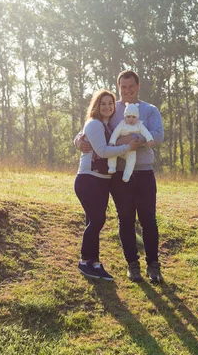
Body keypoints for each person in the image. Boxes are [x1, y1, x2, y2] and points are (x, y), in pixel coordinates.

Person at [76, 70, 164, 283]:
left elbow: (159, 135)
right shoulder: (112, 108)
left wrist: (135, 141)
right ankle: (132, 265)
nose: (127, 91)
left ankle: (153, 265)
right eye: (123, 87)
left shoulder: (149, 110)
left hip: (143, 171)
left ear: (138, 86)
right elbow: (89, 127)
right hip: (117, 175)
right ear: (119, 87)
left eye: (131, 86)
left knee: (148, 219)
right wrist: (78, 140)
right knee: (125, 219)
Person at [75, 89, 140, 280]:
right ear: (96, 106)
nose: (107, 107)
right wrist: (128, 148)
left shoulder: (109, 125)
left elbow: (83, 136)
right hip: (89, 179)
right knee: (97, 221)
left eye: (110, 104)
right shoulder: (94, 124)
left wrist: (77, 139)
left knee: (93, 221)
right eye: (103, 103)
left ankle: (94, 263)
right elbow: (102, 151)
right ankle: (84, 261)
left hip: (102, 181)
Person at [108, 102, 154, 182]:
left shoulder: (139, 125)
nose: (131, 119)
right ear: (125, 117)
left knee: (132, 159)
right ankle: (112, 166)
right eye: (128, 117)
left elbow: (146, 132)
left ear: (137, 117)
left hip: (131, 149)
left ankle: (127, 175)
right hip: (119, 146)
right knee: (112, 152)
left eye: (134, 117)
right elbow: (115, 133)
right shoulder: (122, 124)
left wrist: (150, 139)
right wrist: (112, 142)